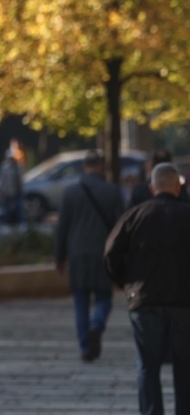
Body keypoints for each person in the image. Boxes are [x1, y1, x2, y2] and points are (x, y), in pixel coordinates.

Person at [104, 163, 190, 415]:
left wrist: (126, 282)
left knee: (147, 363)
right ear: (178, 186)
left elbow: (111, 253)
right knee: (185, 360)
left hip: (144, 300)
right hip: (185, 301)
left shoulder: (134, 215)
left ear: (151, 187)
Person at [54, 150, 124, 362]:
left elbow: (62, 227)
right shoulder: (112, 192)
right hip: (103, 253)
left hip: (77, 254)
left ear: (84, 167)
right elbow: (120, 227)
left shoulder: (70, 192)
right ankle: (98, 323)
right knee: (104, 297)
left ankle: (85, 346)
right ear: (101, 167)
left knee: (80, 301)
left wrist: (59, 257)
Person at [0, 147, 23, 226]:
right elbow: (3, 181)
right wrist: (2, 191)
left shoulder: (18, 166)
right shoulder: (5, 167)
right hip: (7, 193)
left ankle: (21, 224)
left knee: (20, 209)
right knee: (6, 210)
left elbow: (20, 180)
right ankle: (5, 224)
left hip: (17, 192)